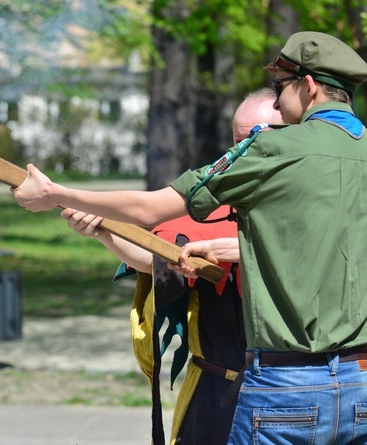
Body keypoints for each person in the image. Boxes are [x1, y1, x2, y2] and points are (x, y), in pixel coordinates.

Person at [12, 31, 367, 444]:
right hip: (362, 387)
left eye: (279, 87)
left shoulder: (274, 148)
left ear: (307, 86)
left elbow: (151, 209)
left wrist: (55, 193)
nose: (277, 100)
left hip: (286, 386)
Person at [62, 88, 282, 445]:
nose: (243, 151)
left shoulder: (320, 201)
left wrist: (246, 250)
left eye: (257, 137)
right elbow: (159, 259)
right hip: (214, 393)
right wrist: (102, 230)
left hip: (294, 395)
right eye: (238, 139)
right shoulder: (213, 198)